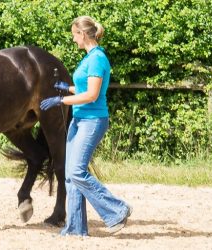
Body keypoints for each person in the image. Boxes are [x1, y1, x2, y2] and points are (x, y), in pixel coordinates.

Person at [40, 16, 132, 236]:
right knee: (70, 176)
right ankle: (75, 227)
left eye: (74, 35)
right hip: (79, 120)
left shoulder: (98, 59)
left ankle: (117, 209)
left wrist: (60, 101)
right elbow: (83, 88)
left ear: (82, 34)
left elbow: (91, 95)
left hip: (93, 120)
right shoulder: (88, 58)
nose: (73, 40)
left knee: (77, 172)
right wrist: (66, 88)